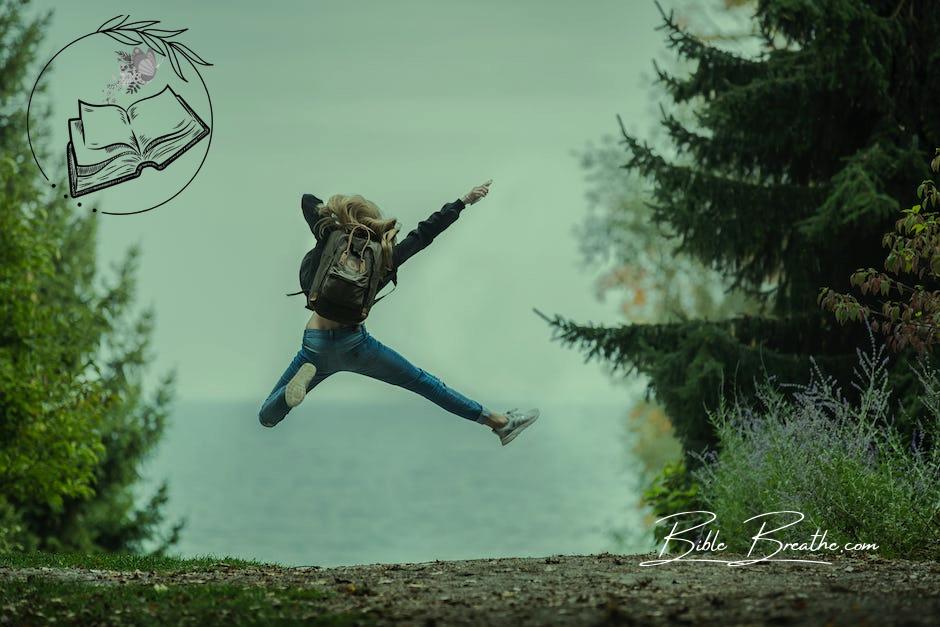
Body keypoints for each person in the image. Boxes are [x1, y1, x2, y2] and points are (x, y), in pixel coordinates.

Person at [258, 180, 539, 446]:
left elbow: (308, 201)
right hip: (355, 345)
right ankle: (500, 423)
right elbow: (424, 234)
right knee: (425, 384)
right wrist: (463, 201)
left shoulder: (330, 237)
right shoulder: (384, 255)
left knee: (267, 417)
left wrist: (337, 220)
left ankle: (290, 393)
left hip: (315, 344)